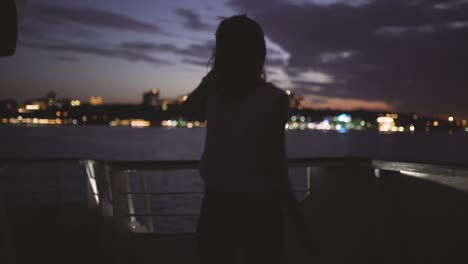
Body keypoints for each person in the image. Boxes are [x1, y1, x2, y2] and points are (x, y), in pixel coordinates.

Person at [184, 15, 306, 264]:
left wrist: (215, 72)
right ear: (260, 52)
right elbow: (276, 167)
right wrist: (298, 221)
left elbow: (187, 109)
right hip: (262, 209)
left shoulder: (213, 91)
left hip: (217, 207)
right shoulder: (275, 99)